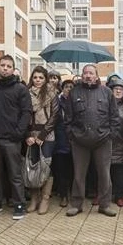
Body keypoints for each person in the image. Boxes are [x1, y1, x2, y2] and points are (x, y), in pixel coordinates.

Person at [63, 64, 120, 217]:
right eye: (85, 73)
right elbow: (68, 118)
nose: (88, 75)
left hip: (103, 141)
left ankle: (104, 205)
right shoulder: (74, 92)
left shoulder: (107, 92)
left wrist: (110, 136)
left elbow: (115, 117)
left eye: (91, 73)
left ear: (97, 76)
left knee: (104, 174)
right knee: (79, 175)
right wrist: (72, 136)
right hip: (80, 141)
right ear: (82, 75)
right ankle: (76, 205)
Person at [0, 55, 32, 218]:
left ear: (13, 69)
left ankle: (19, 204)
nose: (5, 68)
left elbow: (26, 112)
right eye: (3, 65)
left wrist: (18, 133)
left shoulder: (20, 89)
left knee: (15, 174)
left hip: (12, 139)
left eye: (9, 66)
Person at [25, 65, 59, 215]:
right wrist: (28, 135)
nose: (37, 80)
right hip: (31, 134)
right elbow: (23, 115)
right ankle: (34, 198)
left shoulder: (52, 93)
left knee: (46, 166)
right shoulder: (26, 93)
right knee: (33, 165)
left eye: (41, 77)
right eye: (35, 77)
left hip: (47, 134)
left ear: (45, 79)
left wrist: (42, 135)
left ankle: (45, 198)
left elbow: (55, 116)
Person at [106, 74, 123, 208]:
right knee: (103, 171)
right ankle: (102, 194)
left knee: (119, 172)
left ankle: (119, 196)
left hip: (121, 143)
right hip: (106, 142)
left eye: (121, 88)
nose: (118, 90)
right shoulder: (104, 104)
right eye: (115, 88)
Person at [52, 79, 74, 207]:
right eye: (66, 87)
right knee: (61, 169)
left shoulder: (77, 102)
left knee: (73, 169)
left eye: (71, 87)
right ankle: (63, 195)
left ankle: (72, 192)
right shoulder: (57, 101)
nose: (69, 89)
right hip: (60, 139)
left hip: (74, 140)